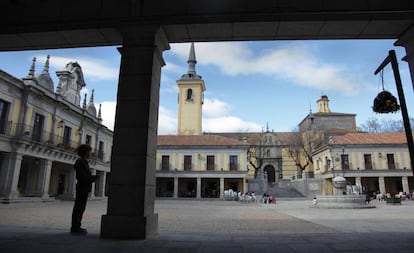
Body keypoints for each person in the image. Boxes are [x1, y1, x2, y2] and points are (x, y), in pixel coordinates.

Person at [70, 144, 96, 235]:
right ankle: (75, 227)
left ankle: (77, 226)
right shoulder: (80, 162)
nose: (90, 153)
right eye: (89, 152)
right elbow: (82, 176)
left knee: (80, 207)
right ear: (85, 152)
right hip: (82, 187)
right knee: (79, 207)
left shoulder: (84, 162)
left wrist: (91, 178)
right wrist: (92, 178)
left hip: (83, 187)